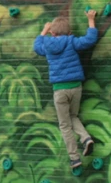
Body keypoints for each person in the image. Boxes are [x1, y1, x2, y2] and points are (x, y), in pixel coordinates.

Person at [34, 9, 99, 170]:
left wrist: (44, 30)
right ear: (69, 32)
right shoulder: (71, 41)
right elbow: (90, 39)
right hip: (76, 87)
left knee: (64, 125)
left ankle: (74, 158)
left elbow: (37, 47)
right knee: (73, 116)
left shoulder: (47, 45)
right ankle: (86, 138)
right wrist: (91, 20)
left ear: (52, 33)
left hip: (60, 90)